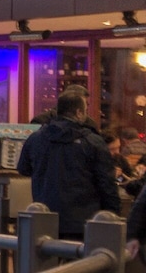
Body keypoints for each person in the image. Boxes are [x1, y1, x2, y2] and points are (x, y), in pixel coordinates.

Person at [17, 94, 117, 240]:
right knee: (81, 255)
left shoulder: (35, 139)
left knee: (44, 254)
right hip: (84, 220)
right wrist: (113, 214)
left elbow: (23, 169)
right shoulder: (93, 142)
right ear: (79, 112)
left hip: (44, 216)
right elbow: (106, 183)